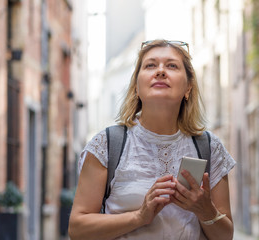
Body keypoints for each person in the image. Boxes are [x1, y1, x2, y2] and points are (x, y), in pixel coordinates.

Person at [68, 39, 236, 240]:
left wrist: (205, 209)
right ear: (137, 87)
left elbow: (226, 236)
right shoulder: (106, 145)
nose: (161, 71)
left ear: (188, 88)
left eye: (172, 65)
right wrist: (139, 216)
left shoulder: (209, 147)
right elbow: (77, 229)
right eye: (150, 65)